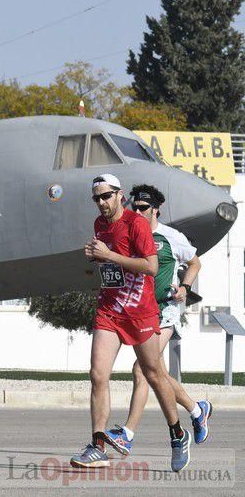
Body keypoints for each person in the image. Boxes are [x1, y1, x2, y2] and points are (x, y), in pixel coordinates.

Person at [71, 174, 190, 473]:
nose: (101, 203)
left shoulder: (136, 224)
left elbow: (150, 266)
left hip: (141, 313)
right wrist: (97, 258)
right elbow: (111, 262)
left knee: (153, 374)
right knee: (98, 374)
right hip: (110, 309)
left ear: (119, 195)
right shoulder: (100, 225)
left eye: (106, 196)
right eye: (96, 198)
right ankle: (97, 446)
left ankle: (177, 434)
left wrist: (109, 254)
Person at [103, 184, 211, 455]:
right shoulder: (128, 233)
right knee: (157, 372)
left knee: (141, 371)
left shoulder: (171, 236)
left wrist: (184, 287)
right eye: (134, 207)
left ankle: (127, 434)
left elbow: (195, 262)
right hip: (138, 311)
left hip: (164, 310)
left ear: (156, 209)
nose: (138, 212)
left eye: (144, 208)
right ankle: (198, 410)